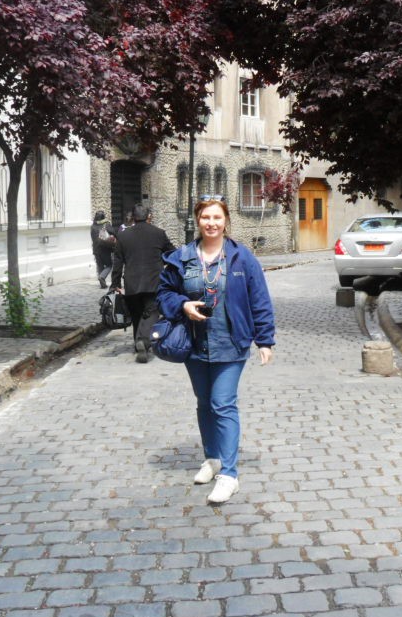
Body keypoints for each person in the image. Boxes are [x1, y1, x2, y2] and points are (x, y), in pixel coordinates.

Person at [156, 197, 275, 504]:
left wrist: (264, 340)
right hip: (195, 343)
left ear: (226, 221)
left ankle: (229, 476)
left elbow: (259, 298)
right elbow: (164, 293)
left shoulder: (241, 257)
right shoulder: (182, 257)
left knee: (222, 404)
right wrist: (183, 304)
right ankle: (213, 459)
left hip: (231, 342)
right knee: (204, 403)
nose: (211, 223)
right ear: (198, 220)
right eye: (206, 217)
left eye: (217, 218)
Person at [111, 204, 175, 363]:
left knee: (136, 314)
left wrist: (115, 283)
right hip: (153, 281)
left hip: (131, 282)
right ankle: (143, 341)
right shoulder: (158, 233)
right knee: (152, 312)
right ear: (149, 217)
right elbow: (172, 253)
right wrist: (163, 264)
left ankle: (138, 344)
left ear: (133, 218)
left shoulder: (123, 236)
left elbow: (117, 262)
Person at [90, 210, 115, 288]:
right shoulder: (106, 224)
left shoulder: (93, 226)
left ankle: (102, 283)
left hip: (96, 250)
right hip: (105, 249)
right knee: (109, 265)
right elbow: (113, 233)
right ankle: (102, 277)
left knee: (100, 266)